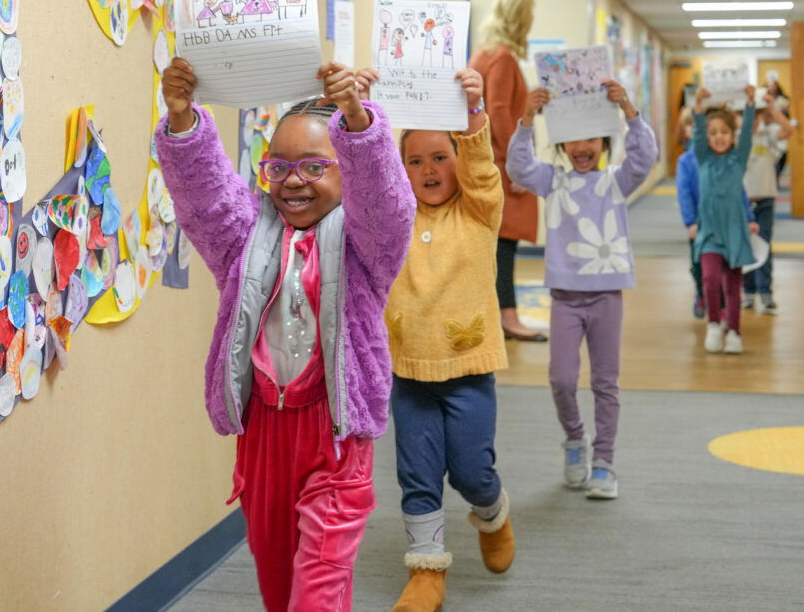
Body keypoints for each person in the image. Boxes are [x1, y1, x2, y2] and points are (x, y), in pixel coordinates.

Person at [155, 58, 414, 611]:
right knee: (279, 590)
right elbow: (206, 199)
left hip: (335, 435)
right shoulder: (245, 237)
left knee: (315, 597)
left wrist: (357, 123)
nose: (294, 181)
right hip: (264, 435)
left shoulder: (366, 247)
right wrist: (182, 120)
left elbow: (386, 205)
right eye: (279, 167)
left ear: (346, 170)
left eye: (315, 166)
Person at [364, 67, 514, 612]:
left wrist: (474, 113)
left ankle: (493, 513)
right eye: (415, 160)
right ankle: (426, 569)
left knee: (473, 471)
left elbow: (482, 169)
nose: (428, 169)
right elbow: (370, 176)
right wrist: (359, 112)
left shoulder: (478, 211)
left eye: (440, 157)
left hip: (469, 373)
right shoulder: (393, 217)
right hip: (409, 375)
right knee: (418, 476)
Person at [506, 80, 658, 500]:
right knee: (561, 378)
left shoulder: (616, 181)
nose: (581, 147)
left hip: (607, 295)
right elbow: (518, 168)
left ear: (604, 141)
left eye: (590, 138)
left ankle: (604, 461)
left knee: (606, 382)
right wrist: (526, 121)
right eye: (572, 140)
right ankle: (575, 440)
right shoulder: (553, 181)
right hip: (565, 297)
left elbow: (645, 157)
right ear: (561, 146)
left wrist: (627, 107)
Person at [470, 0, 545, 342]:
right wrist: (516, 163)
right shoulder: (502, 57)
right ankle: (509, 317)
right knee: (504, 244)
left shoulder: (484, 54)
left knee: (497, 245)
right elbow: (498, 109)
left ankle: (501, 315)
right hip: (500, 163)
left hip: (490, 158)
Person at [692, 86, 757, 355]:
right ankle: (714, 325)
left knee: (732, 286)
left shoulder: (737, 160)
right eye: (713, 133)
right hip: (709, 233)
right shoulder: (703, 159)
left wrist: (751, 103)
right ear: (707, 138)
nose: (719, 137)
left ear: (732, 136)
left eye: (724, 132)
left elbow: (747, 139)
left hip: (733, 232)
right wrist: (698, 105)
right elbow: (697, 133)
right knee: (709, 278)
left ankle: (734, 331)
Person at [675, 106, 757, 319]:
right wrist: (690, 222)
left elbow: (738, 192)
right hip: (702, 224)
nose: (697, 131)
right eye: (693, 126)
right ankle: (701, 296)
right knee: (700, 268)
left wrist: (748, 217)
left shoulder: (728, 160)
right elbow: (684, 193)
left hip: (728, 223)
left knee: (726, 272)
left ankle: (722, 308)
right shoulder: (688, 160)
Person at [743, 91, 793, 314]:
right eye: (749, 114)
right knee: (744, 246)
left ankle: (766, 293)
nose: (753, 119)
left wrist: (771, 109)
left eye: (757, 114)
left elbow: (789, 129)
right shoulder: (737, 135)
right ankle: (748, 293)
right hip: (742, 201)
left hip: (765, 198)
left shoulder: (768, 133)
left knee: (764, 245)